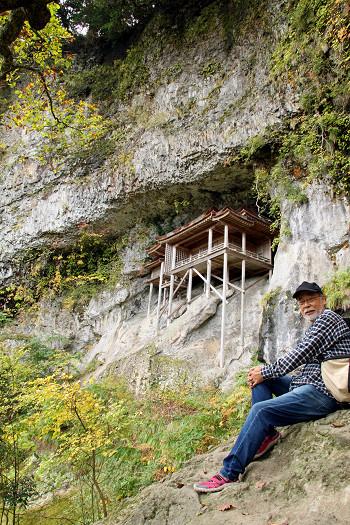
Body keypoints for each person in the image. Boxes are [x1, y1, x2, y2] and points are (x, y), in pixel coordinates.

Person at [193, 281, 350, 493]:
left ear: (323, 300)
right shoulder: (317, 324)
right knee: (260, 379)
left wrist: (265, 372)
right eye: (302, 302)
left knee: (261, 409)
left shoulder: (328, 319)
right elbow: (305, 363)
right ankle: (267, 435)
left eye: (311, 299)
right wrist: (263, 374)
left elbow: (300, 354)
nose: (306, 305)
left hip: (324, 393)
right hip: (306, 385)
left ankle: (228, 473)